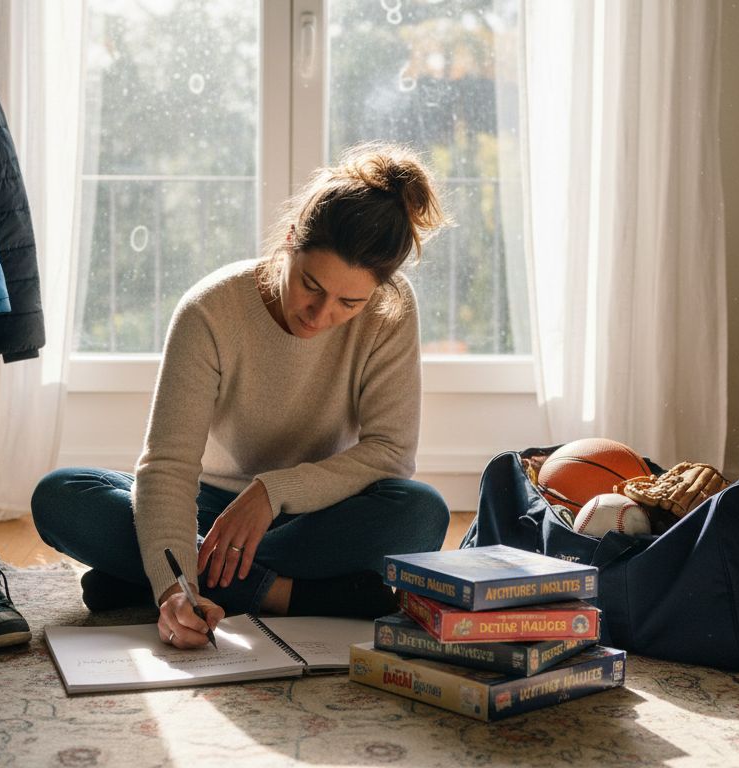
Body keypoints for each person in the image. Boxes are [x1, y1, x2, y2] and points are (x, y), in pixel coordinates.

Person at [31, 143, 451, 649]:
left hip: (319, 511)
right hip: (210, 509)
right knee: (62, 496)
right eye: (310, 285)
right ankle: (287, 595)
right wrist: (174, 589)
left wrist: (273, 492)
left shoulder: (393, 309)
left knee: (422, 512)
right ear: (291, 241)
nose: (319, 315)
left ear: (376, 293)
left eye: (349, 303)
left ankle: (148, 576)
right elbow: (167, 464)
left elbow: (388, 453)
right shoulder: (210, 311)